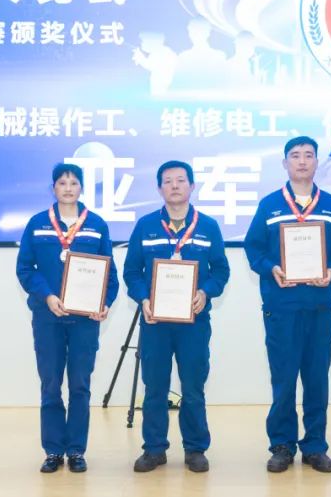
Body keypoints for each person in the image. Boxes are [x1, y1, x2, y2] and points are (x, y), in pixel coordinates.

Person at [244, 136, 331, 473]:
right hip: (282, 307)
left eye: (308, 155)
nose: (302, 161)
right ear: (285, 163)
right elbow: (253, 248)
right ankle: (282, 445)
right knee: (284, 379)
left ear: (317, 162)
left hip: (319, 307)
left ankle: (315, 446)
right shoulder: (270, 205)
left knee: (317, 380)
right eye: (295, 155)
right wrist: (271, 268)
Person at [123, 160, 230, 473]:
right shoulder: (145, 226)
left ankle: (195, 449)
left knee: (193, 387)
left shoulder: (208, 226)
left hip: (194, 323)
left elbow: (221, 270)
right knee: (154, 388)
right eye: (168, 181)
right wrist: (143, 298)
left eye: (180, 180)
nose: (174, 186)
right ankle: (154, 449)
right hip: (155, 323)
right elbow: (131, 271)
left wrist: (205, 292)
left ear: (191, 186)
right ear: (159, 188)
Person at [16, 162, 119, 474]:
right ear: (53, 188)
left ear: (81, 188)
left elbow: (109, 273)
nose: (68, 188)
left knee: (79, 385)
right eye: (62, 183)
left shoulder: (96, 225)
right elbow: (25, 269)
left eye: (74, 182)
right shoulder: (37, 224)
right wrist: (47, 295)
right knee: (50, 384)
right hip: (47, 316)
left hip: (85, 320)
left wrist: (105, 303)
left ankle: (75, 450)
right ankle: (52, 451)